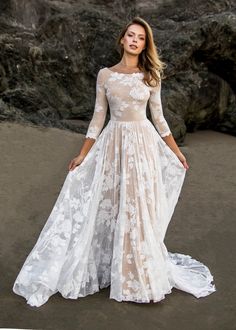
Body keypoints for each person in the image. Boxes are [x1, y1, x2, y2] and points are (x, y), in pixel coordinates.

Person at [12, 16, 216, 307]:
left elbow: (158, 118)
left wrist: (176, 151)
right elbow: (97, 118)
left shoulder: (151, 75)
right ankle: (114, 268)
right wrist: (83, 153)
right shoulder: (105, 75)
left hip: (143, 145)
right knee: (112, 203)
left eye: (141, 37)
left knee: (138, 205)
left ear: (145, 44)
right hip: (113, 144)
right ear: (122, 39)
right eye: (130, 35)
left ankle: (138, 275)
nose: (134, 40)